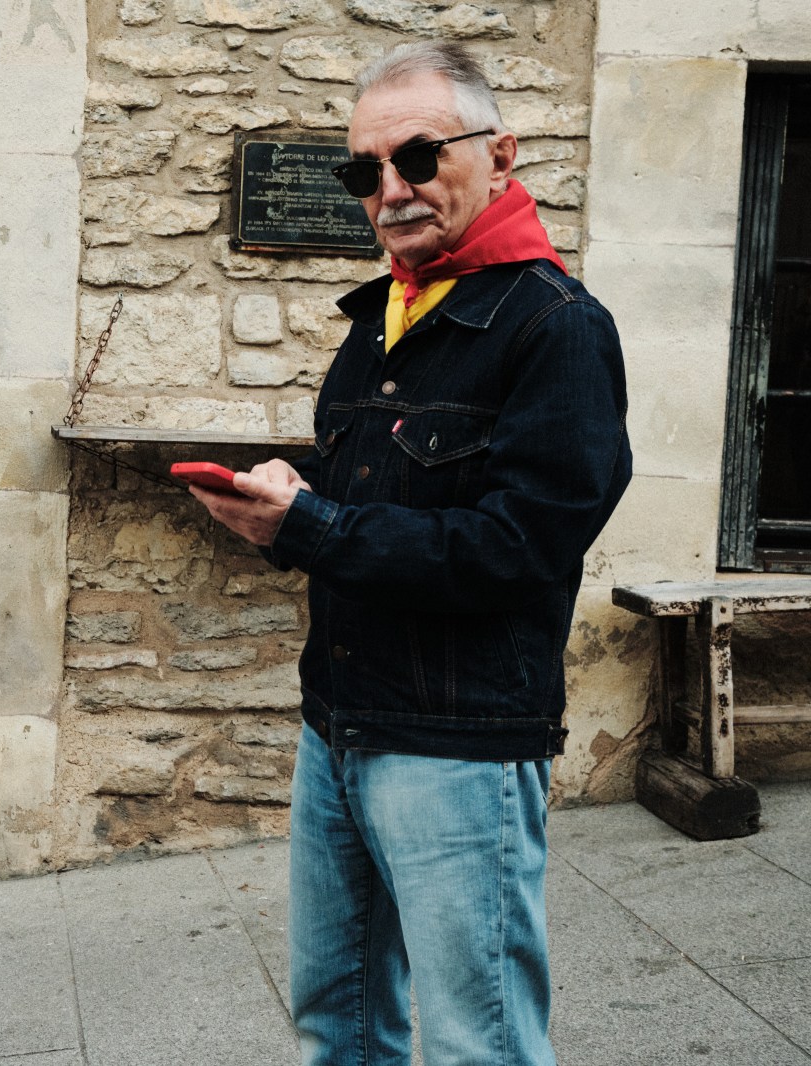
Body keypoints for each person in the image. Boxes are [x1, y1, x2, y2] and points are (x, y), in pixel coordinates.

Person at [186, 42, 632, 1066]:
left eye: (420, 156)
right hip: (335, 727)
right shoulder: (378, 316)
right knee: (334, 1025)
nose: (390, 190)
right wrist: (283, 505)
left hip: (457, 745)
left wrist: (313, 528)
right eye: (364, 170)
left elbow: (515, 547)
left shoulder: (556, 328)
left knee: (480, 1045)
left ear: (501, 155)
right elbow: (372, 501)